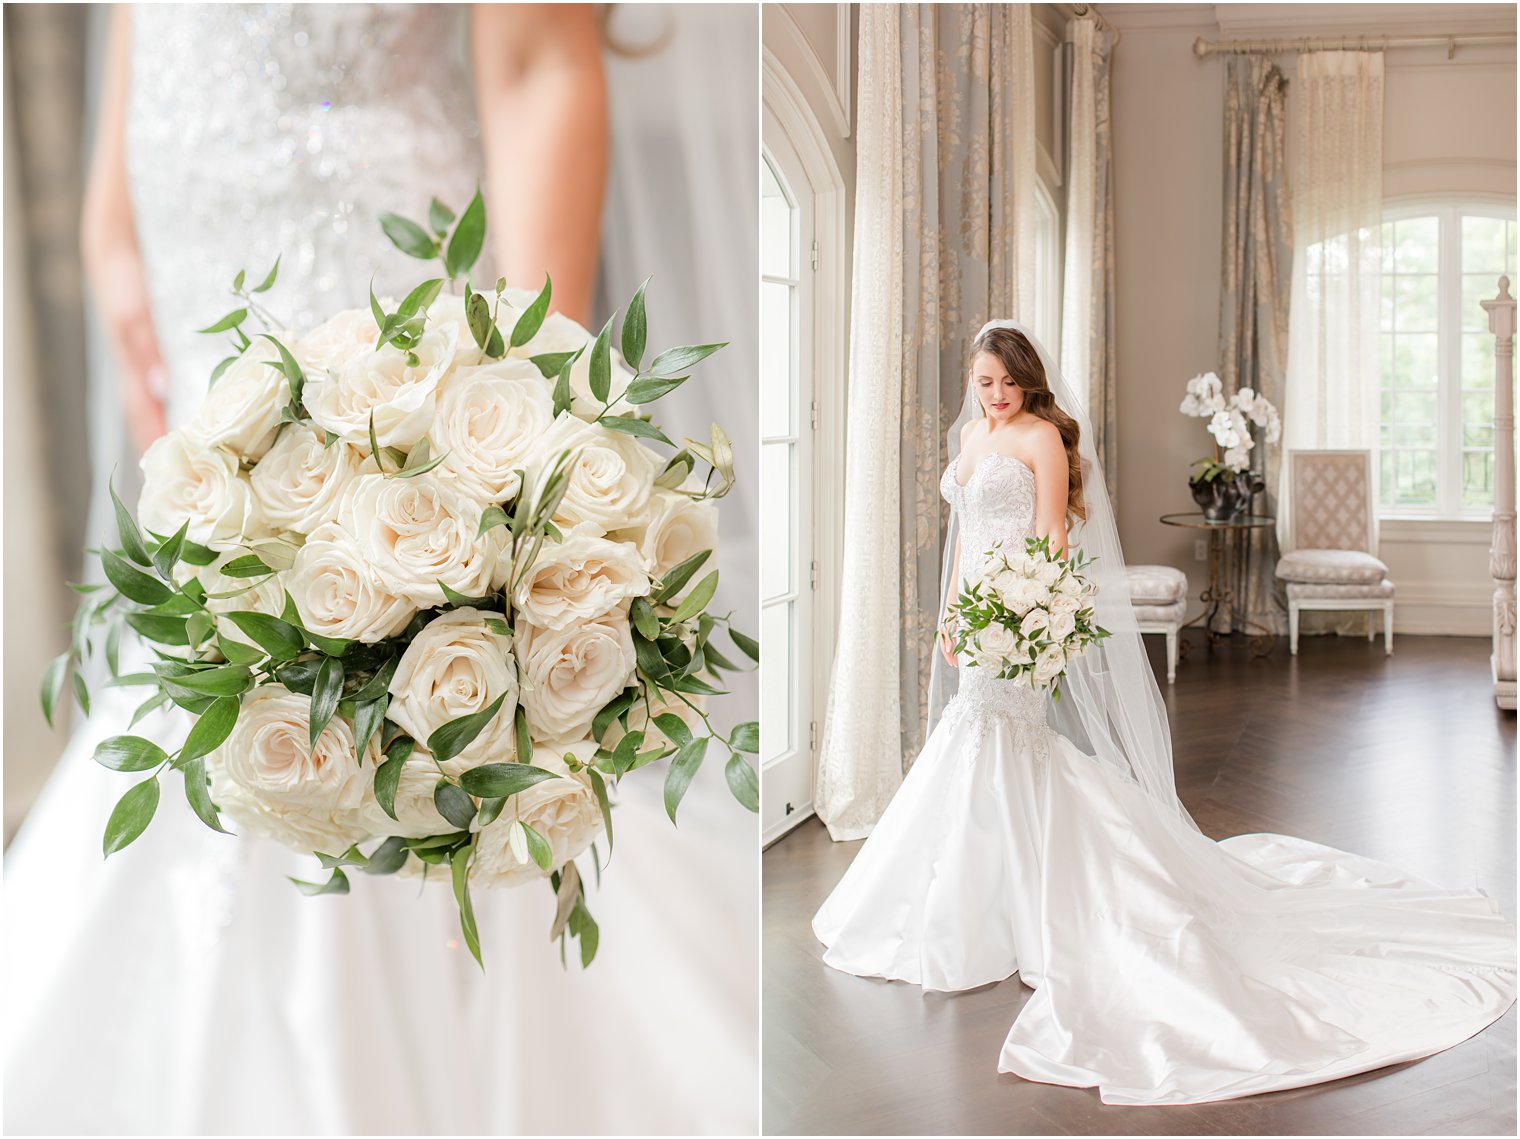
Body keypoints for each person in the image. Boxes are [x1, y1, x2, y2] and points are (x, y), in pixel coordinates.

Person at [5, 6, 756, 1134]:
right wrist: (111, 206)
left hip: (369, 256)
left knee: (365, 689)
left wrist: (524, 430)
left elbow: (538, 56)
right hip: (181, 225)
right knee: (199, 654)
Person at [812, 319, 1516, 1106]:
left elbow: (1048, 538)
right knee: (976, 739)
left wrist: (1030, 615)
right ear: (972, 383)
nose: (997, 394)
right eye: (984, 382)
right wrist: (950, 614)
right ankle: (968, 902)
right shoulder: (975, 436)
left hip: (1017, 614)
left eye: (1007, 382)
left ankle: (1017, 904)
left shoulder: (1041, 437)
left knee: (1000, 736)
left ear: (1030, 382)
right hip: (975, 611)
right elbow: (965, 534)